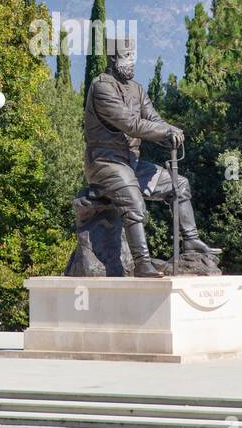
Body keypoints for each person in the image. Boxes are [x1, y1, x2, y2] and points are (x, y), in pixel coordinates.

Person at [83, 36, 217, 277]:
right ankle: (142, 263)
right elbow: (131, 124)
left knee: (179, 185)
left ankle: (191, 241)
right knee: (134, 201)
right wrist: (165, 131)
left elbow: (153, 119)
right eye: (127, 57)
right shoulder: (101, 86)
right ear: (113, 59)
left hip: (131, 164)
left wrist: (171, 133)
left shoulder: (137, 89)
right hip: (105, 162)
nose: (132, 63)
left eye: (133, 57)